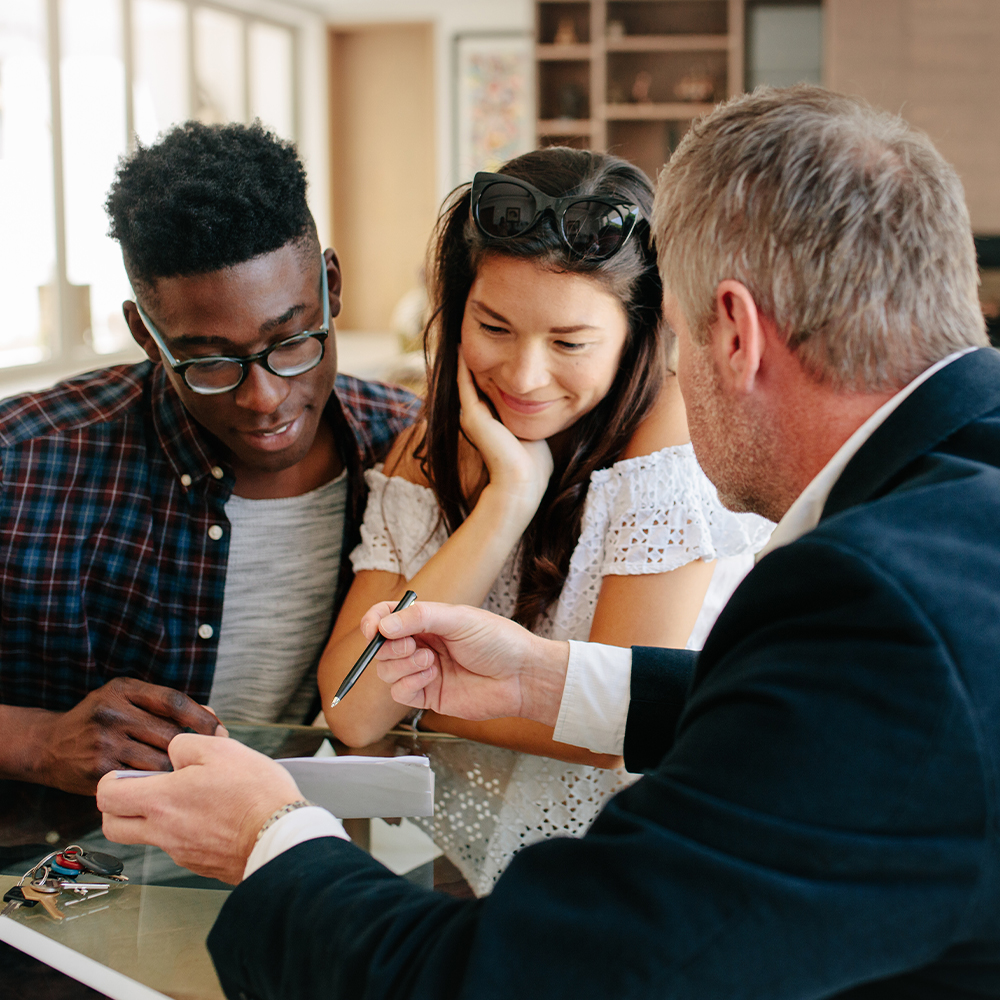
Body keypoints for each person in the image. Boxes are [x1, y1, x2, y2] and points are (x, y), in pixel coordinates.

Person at [99, 85, 1000, 999]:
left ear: (732, 333)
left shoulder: (881, 597)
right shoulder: (956, 515)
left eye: (674, 340)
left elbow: (533, 982)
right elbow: (803, 717)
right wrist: (542, 679)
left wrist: (271, 840)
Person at [316, 148, 770, 892]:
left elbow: (611, 723)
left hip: (644, 869)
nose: (525, 377)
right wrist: (506, 504)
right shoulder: (427, 447)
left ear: (637, 334)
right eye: (493, 327)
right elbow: (354, 710)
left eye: (569, 343)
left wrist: (421, 706)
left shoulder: (672, 448)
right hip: (475, 861)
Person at [0, 121, 417, 796]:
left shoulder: (408, 456)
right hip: (61, 882)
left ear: (331, 286)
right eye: (209, 362)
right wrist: (36, 742)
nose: (264, 398)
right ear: (145, 334)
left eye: (291, 340)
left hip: (309, 873)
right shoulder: (21, 461)